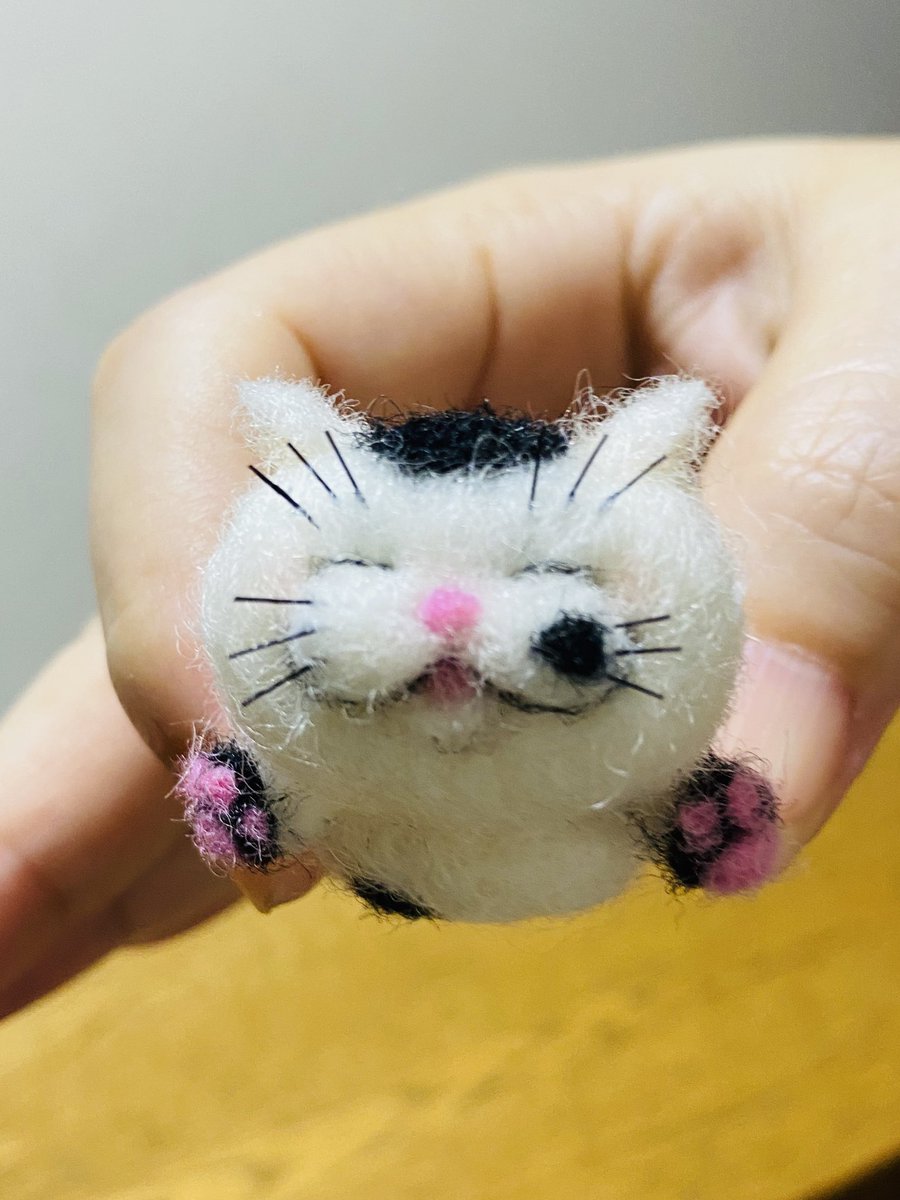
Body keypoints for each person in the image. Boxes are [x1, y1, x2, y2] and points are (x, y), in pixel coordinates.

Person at [1, 138, 897, 1017]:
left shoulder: (656, 575)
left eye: (553, 571)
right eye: (363, 568)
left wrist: (697, 793)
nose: (450, 613)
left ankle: (693, 817)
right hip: (387, 851)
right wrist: (262, 799)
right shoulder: (295, 651)